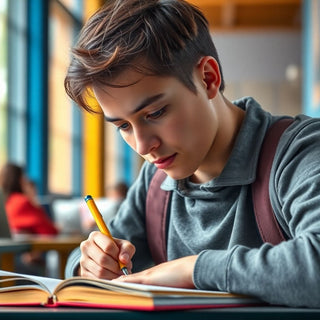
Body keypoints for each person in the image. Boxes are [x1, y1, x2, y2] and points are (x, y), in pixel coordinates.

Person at [64, 0, 320, 308]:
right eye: (123, 126)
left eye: (155, 112)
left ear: (208, 78)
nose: (143, 147)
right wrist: (89, 263)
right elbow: (83, 262)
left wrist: (192, 269)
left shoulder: (300, 152)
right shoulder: (155, 181)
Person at [0, 162, 58, 236]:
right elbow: (49, 231)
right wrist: (33, 201)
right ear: (20, 180)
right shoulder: (22, 202)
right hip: (31, 246)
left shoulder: (5, 202)